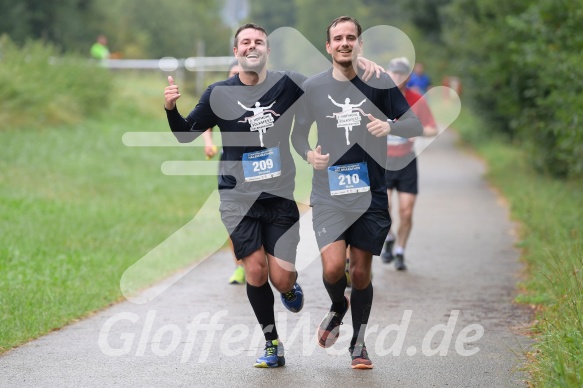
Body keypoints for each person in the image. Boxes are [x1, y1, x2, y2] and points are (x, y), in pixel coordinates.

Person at [165, 23, 383, 368]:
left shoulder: (289, 83)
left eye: (259, 42)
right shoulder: (218, 93)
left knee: (281, 278)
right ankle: (272, 343)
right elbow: (184, 135)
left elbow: (329, 83)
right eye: (245, 43)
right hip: (237, 199)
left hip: (279, 199)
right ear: (236, 52)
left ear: (267, 50)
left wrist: (358, 63)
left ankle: (288, 290)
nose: (252, 47)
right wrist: (171, 110)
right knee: (254, 271)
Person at [291, 16, 422, 369]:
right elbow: (298, 134)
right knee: (334, 269)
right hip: (329, 192)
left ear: (359, 44)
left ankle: (359, 344)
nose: (345, 43)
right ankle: (338, 306)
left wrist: (390, 124)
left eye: (351, 38)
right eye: (338, 38)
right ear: (329, 46)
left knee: (361, 274)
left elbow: (415, 123)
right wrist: (309, 154)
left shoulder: (379, 82)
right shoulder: (314, 87)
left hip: (370, 192)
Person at [381, 57, 438, 271]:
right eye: (394, 73)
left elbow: (432, 128)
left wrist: (417, 131)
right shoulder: (377, 99)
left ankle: (400, 252)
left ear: (408, 76)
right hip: (383, 161)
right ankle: (389, 237)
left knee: (406, 211)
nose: (397, 77)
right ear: (387, 74)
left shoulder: (416, 99)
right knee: (383, 207)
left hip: (406, 162)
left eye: (402, 73)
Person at [200, 61, 245, 285]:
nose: (237, 78)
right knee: (233, 219)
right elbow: (205, 124)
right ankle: (239, 266)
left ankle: (262, 261)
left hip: (261, 167)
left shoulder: (262, 98)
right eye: (233, 74)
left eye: (241, 73)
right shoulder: (221, 99)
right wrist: (208, 142)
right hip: (229, 165)